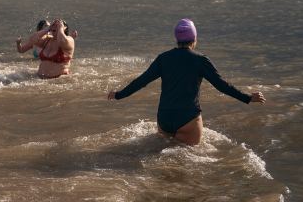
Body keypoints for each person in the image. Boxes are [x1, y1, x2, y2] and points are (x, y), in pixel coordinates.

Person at [107, 18, 265, 145]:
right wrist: (248, 98)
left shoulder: (163, 58)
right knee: (187, 166)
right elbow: (221, 85)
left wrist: (118, 95)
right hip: (188, 117)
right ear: (194, 38)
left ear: (177, 39)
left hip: (164, 117)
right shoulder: (201, 60)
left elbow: (142, 81)